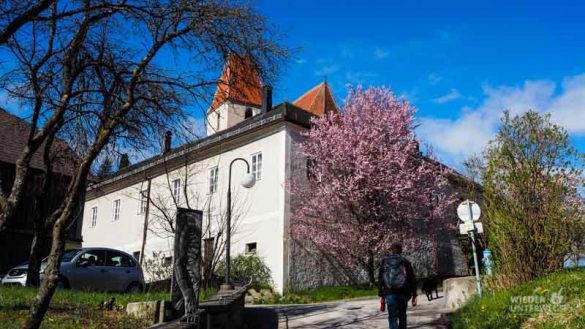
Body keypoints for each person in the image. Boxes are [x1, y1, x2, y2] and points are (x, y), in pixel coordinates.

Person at [378, 242, 417, 329]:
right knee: (402, 315)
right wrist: (414, 294)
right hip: (403, 292)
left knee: (392, 317)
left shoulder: (384, 262)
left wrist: (381, 295)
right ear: (401, 250)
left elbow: (381, 279)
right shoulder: (405, 262)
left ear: (391, 250)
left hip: (389, 292)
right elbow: (412, 279)